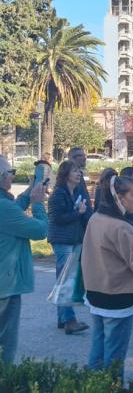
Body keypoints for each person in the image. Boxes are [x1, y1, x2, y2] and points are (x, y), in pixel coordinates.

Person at [81, 175, 133, 382]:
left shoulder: (96, 218)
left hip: (96, 292)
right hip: (117, 297)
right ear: (119, 197)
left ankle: (93, 385)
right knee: (114, 354)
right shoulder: (121, 227)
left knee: (98, 348)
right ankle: (112, 386)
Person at [0, 155, 48, 364]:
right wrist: (38, 204)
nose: (13, 176)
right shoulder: (4, 208)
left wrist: (29, 193)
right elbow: (40, 230)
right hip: (5, 286)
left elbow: (13, 211)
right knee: (5, 344)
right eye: (11, 172)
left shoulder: (5, 206)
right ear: (2, 177)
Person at [48, 159, 92, 335]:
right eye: (75, 171)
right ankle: (70, 320)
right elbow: (57, 218)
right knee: (66, 281)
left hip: (74, 240)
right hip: (62, 241)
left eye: (79, 171)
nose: (79, 173)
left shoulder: (75, 192)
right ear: (65, 174)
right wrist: (78, 213)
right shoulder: (59, 193)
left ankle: (63, 318)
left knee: (65, 279)